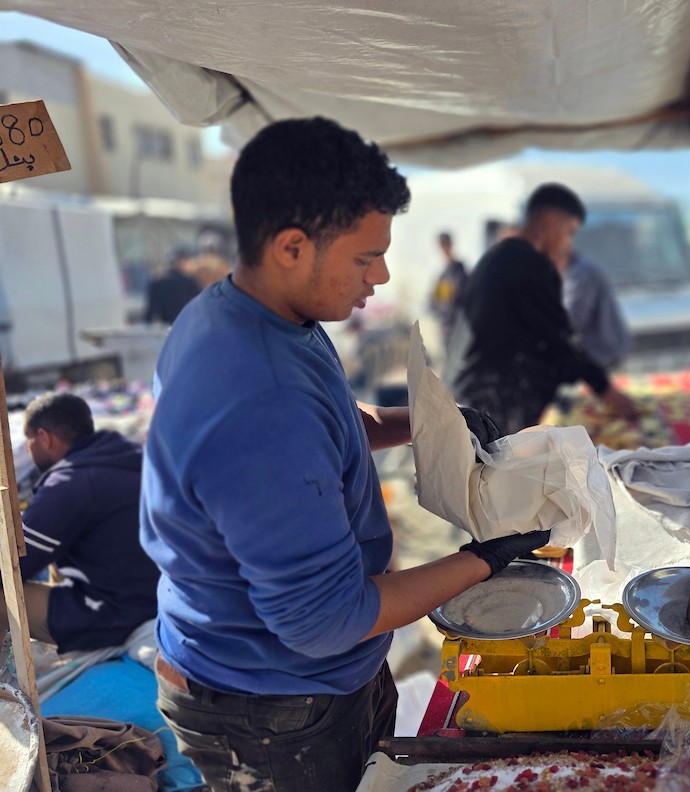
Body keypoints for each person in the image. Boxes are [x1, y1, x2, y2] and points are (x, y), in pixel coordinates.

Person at [140, 117, 549, 792]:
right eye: (366, 258)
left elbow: (326, 425)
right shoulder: (256, 396)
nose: (382, 275)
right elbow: (329, 621)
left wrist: (425, 423)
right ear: (292, 247)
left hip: (310, 669)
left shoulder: (247, 311)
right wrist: (486, 558)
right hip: (271, 706)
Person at [454, 183, 637, 435]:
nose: (567, 243)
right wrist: (608, 392)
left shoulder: (497, 257)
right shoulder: (530, 263)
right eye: (569, 232)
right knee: (499, 467)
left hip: (471, 393)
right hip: (492, 399)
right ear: (551, 221)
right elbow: (561, 338)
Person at [7, 392, 156, 652]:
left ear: (44, 437)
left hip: (114, 614)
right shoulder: (130, 456)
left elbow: (13, 566)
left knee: (4, 594)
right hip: (155, 598)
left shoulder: (71, 482)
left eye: (29, 440)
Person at [563, 248, 631, 370]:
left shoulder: (581, 272)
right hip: (604, 352)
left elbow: (572, 319)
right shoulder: (578, 269)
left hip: (601, 355)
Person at [428, 231, 469, 352]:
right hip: (445, 329)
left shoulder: (460, 272)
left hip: (458, 330)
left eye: (446, 245)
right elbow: (433, 302)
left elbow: (460, 299)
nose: (444, 249)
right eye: (442, 246)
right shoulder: (443, 275)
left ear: (451, 245)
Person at [144, 248, 201, 325]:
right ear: (182, 262)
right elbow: (197, 304)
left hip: (165, 324)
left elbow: (151, 310)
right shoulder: (188, 281)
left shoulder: (156, 282)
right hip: (185, 323)